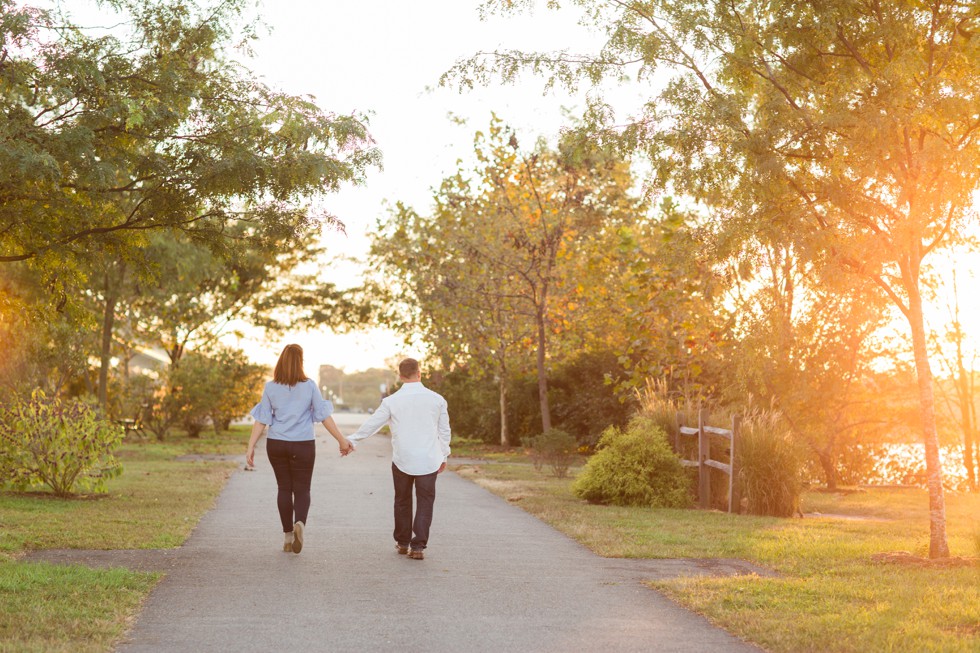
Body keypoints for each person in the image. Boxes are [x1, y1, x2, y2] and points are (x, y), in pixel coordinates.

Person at [246, 344, 353, 554]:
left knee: (284, 488)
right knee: (302, 489)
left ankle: (287, 536)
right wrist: (341, 440)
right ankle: (300, 524)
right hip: (303, 444)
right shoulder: (310, 385)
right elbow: (324, 416)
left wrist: (250, 448)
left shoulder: (270, 387)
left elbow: (261, 421)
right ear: (300, 362)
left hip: (276, 444)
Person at [347, 358, 451, 560]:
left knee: (402, 500)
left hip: (403, 458)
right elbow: (444, 431)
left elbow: (373, 424)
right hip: (429, 459)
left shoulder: (391, 401)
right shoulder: (437, 399)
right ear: (419, 373)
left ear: (401, 376)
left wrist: (352, 440)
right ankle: (418, 546)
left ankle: (403, 542)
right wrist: (444, 454)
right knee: (425, 502)